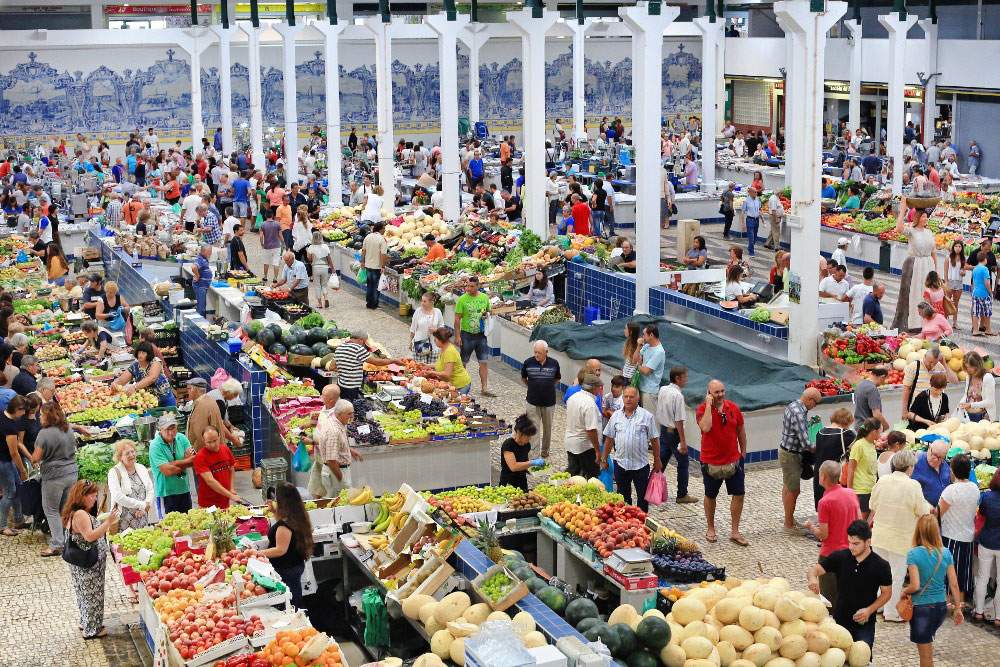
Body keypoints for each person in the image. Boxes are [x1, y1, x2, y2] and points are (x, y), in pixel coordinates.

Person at [807, 519, 891, 650]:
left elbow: (887, 593)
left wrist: (869, 610)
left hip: (865, 625)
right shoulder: (840, 557)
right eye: (850, 542)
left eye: (856, 543)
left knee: (862, 660)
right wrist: (812, 578)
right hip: (839, 621)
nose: (851, 547)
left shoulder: (881, 565)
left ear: (868, 542)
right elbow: (815, 570)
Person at [870, 449, 932, 622]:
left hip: (880, 534)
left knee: (879, 574)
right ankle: (891, 612)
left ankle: (879, 605)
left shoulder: (882, 481)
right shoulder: (913, 485)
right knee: (896, 577)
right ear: (910, 467)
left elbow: (872, 504)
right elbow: (923, 511)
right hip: (901, 538)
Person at [904, 515, 964, 665]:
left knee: (925, 658)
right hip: (940, 608)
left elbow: (915, 585)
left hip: (922, 610)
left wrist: (904, 591)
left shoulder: (913, 554)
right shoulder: (946, 553)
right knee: (928, 652)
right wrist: (957, 608)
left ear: (919, 531)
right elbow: (954, 584)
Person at [62, 480, 118, 639]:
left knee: (83, 594)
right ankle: (92, 629)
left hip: (82, 562)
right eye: (92, 496)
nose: (95, 499)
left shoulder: (74, 511)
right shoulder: (80, 514)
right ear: (82, 496)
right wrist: (108, 522)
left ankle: (86, 622)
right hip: (88, 563)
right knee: (92, 595)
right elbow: (90, 536)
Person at [696, 380, 749, 546]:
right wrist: (708, 406)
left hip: (733, 460)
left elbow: (740, 429)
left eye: (722, 391)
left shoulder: (733, 408)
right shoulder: (702, 410)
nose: (720, 395)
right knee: (710, 495)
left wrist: (743, 452)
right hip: (711, 461)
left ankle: (735, 531)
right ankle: (710, 528)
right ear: (709, 393)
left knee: (739, 494)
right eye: (716, 392)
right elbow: (705, 427)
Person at [602, 386, 660, 512]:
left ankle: (641, 523)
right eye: (626, 396)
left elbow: (654, 440)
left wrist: (657, 459)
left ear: (638, 398)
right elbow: (609, 439)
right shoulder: (616, 416)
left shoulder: (647, 416)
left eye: (631, 397)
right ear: (622, 398)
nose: (628, 399)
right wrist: (604, 458)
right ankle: (625, 521)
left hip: (640, 465)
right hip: (621, 464)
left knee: (642, 498)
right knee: (622, 496)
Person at [30, 402, 78, 556]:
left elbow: (36, 458)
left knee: (51, 510)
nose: (39, 417)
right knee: (65, 509)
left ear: (48, 416)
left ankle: (57, 544)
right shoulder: (68, 428)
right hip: (72, 473)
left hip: (54, 477)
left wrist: (30, 457)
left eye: (41, 414)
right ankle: (67, 539)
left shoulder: (44, 434)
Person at [259, 482, 313, 607]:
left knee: (290, 600)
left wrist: (258, 553)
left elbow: (280, 550)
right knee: (295, 595)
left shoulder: (284, 527)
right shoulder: (299, 516)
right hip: (295, 565)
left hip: (286, 569)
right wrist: (274, 511)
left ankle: (298, 620)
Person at [779, 388, 822, 532]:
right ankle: (789, 525)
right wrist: (821, 445)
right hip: (792, 455)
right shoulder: (799, 413)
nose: (814, 406)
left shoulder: (793, 406)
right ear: (810, 400)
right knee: (793, 490)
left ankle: (788, 519)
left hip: (786, 451)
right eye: (815, 403)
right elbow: (805, 443)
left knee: (788, 487)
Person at [892, 199, 938, 332]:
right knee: (915, 293)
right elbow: (899, 228)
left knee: (928, 293)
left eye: (926, 216)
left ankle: (928, 321)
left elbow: (933, 252)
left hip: (928, 264)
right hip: (916, 265)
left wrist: (936, 270)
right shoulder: (911, 231)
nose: (925, 218)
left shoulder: (929, 232)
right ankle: (914, 322)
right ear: (917, 218)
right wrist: (902, 210)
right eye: (923, 216)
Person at [938, 454, 978, 599]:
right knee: (963, 572)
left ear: (953, 470)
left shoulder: (951, 490)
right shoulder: (974, 488)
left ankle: (949, 601)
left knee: (950, 571)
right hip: (968, 536)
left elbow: (938, 513)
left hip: (950, 536)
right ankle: (959, 602)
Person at [656, 366, 697, 504]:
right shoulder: (678, 396)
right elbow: (679, 420)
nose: (687, 380)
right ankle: (682, 494)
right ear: (678, 378)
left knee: (660, 462)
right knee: (683, 463)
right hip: (674, 434)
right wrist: (683, 442)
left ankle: (651, 489)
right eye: (685, 377)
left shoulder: (663, 389)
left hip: (663, 430)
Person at [313, 395, 364, 496]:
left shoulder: (336, 421)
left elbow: (336, 445)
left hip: (337, 471)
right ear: (340, 414)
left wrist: (350, 451)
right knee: (339, 503)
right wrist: (341, 480)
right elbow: (331, 460)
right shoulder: (333, 431)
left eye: (352, 413)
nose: (352, 417)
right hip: (335, 473)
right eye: (349, 414)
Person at [148, 414, 195, 515]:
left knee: (188, 524)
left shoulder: (181, 438)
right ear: (160, 429)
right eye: (167, 429)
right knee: (168, 527)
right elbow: (168, 471)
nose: (171, 433)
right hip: (166, 493)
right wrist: (186, 460)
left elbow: (194, 460)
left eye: (173, 428)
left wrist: (173, 464)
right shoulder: (155, 445)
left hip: (184, 490)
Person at [520, 340, 560, 459]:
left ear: (546, 352)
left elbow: (557, 379)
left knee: (548, 429)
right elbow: (523, 378)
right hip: (532, 402)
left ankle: (545, 451)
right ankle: (534, 455)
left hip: (549, 403)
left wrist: (547, 386)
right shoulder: (528, 363)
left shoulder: (554, 364)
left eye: (539, 353)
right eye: (535, 352)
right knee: (534, 429)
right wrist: (532, 386)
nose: (537, 355)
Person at [454, 277, 493, 397]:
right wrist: (457, 336)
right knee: (463, 362)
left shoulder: (484, 298)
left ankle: (484, 387)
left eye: (471, 286)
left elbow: (488, 312)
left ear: (477, 286)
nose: (468, 288)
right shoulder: (462, 299)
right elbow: (457, 319)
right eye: (467, 286)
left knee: (484, 362)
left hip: (481, 335)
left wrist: (486, 316)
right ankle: (462, 385)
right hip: (467, 335)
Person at [333, 329, 396, 401]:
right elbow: (377, 362)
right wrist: (393, 361)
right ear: (361, 340)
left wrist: (345, 370)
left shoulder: (339, 347)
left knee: (342, 406)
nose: (363, 344)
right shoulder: (359, 349)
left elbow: (332, 367)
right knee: (351, 408)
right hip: (352, 387)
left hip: (340, 385)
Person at [107, 439, 155, 532]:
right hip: (124, 522)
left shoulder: (141, 468)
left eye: (132, 451)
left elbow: (150, 490)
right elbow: (118, 497)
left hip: (142, 517)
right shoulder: (114, 472)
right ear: (120, 457)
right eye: (127, 453)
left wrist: (144, 508)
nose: (131, 455)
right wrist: (142, 505)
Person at [812, 408, 856, 508]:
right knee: (836, 503)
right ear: (847, 420)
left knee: (822, 501)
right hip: (836, 473)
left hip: (820, 471)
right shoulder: (847, 434)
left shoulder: (820, 432)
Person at [112, 342, 176, 407]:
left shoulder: (156, 362)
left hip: (165, 400)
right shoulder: (135, 366)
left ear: (148, 354)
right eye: (139, 352)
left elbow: (152, 378)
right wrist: (114, 384)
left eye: (143, 353)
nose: (140, 355)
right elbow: (122, 380)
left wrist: (135, 387)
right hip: (149, 403)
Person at [565, 373, 604, 479]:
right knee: (589, 478)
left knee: (574, 474)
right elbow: (591, 430)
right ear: (594, 388)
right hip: (585, 447)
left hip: (570, 442)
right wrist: (597, 450)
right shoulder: (589, 404)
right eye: (599, 387)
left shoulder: (573, 397)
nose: (600, 391)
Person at [193, 426, 241, 509]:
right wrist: (230, 495)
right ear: (204, 441)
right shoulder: (200, 457)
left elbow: (231, 469)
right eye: (209, 442)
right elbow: (210, 481)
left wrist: (231, 488)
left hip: (224, 501)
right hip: (208, 504)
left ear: (219, 436)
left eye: (215, 441)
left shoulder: (225, 449)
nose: (213, 445)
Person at [186, 378, 239, 452]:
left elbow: (200, 436)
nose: (187, 391)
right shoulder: (210, 400)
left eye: (189, 389)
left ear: (196, 390)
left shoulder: (203, 406)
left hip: (206, 454)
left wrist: (197, 455)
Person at [901, 345, 956, 417]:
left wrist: (944, 364)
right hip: (917, 411)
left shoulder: (940, 367)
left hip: (936, 411)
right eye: (930, 362)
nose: (932, 365)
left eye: (935, 363)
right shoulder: (914, 366)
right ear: (924, 356)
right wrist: (904, 411)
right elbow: (906, 389)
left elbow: (954, 381)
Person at [974, 472, 1000, 623]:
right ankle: (998, 617)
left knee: (982, 577)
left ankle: (979, 612)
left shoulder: (987, 497)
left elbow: (981, 514)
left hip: (987, 540)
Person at [847, 418, 881, 518]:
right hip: (861, 490)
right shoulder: (858, 446)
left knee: (868, 520)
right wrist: (849, 491)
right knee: (861, 521)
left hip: (871, 488)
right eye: (880, 431)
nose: (881, 434)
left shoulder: (871, 443)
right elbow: (851, 469)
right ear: (874, 432)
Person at [499, 414, 543, 492]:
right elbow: (513, 467)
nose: (529, 438)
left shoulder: (527, 445)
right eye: (528, 436)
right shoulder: (508, 445)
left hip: (522, 482)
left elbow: (524, 462)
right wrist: (532, 462)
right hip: (508, 484)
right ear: (519, 433)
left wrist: (535, 470)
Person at [428, 327, 471, 394]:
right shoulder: (444, 348)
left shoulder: (449, 352)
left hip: (460, 385)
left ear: (441, 340)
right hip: (451, 384)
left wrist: (432, 372)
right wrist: (427, 366)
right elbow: (441, 364)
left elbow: (447, 374)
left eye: (435, 339)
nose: (434, 341)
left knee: (454, 403)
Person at [633, 324, 665, 412]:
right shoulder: (647, 346)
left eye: (644, 334)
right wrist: (638, 346)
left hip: (649, 392)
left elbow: (646, 371)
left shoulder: (659, 352)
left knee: (650, 419)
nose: (642, 337)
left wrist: (637, 366)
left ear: (651, 335)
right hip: (640, 387)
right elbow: (634, 360)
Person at [959, 350, 995, 422]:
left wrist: (971, 405)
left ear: (977, 365)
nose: (967, 369)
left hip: (984, 417)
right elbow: (966, 395)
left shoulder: (987, 377)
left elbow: (990, 402)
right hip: (970, 416)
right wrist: (961, 404)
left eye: (970, 367)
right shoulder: (969, 377)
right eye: (966, 367)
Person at [409, 293, 444, 363]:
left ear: (431, 302)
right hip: (420, 344)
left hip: (434, 346)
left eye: (425, 301)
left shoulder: (437, 312)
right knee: (420, 368)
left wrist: (436, 330)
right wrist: (410, 342)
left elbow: (442, 327)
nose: (422, 303)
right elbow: (412, 329)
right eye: (422, 301)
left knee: (432, 370)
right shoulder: (418, 311)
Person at [361, 221, 388, 309]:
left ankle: (369, 303)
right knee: (376, 286)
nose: (385, 230)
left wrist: (362, 261)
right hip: (377, 266)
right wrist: (383, 266)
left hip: (368, 265)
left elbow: (363, 251)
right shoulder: (382, 239)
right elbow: (383, 254)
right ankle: (374, 304)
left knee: (370, 285)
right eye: (384, 228)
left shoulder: (367, 237)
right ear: (380, 229)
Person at [306, 231, 333, 309]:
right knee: (324, 285)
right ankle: (326, 298)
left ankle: (320, 303)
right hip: (325, 267)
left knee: (317, 285)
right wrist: (333, 268)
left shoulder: (311, 247)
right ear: (321, 237)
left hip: (316, 267)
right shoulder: (325, 246)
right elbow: (329, 258)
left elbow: (309, 259)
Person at [970, 249, 994, 336]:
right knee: (987, 313)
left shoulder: (975, 268)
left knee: (975, 313)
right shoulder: (985, 269)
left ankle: (975, 330)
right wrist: (990, 292)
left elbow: (973, 282)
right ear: (985, 259)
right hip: (984, 294)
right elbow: (987, 283)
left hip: (975, 293)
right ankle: (988, 330)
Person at [946, 240, 966, 328]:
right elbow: (945, 271)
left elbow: (964, 271)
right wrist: (946, 282)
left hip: (959, 282)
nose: (958, 248)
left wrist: (963, 272)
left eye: (960, 247)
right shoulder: (948, 257)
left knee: (956, 303)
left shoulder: (963, 259)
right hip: (950, 281)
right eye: (956, 246)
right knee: (947, 302)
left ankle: (955, 322)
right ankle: (945, 321)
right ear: (953, 247)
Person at [190, 244, 213, 317]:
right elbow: (194, 267)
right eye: (209, 252)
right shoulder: (200, 259)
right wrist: (197, 275)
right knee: (201, 307)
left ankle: (201, 322)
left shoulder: (203, 258)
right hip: (200, 286)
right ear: (204, 251)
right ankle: (200, 324)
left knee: (202, 305)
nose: (210, 253)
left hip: (202, 286)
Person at [259, 214, 283, 284]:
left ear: (266, 216)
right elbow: (280, 235)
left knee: (266, 262)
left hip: (267, 246)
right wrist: (283, 243)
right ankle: (275, 278)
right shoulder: (277, 224)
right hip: (276, 246)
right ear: (272, 216)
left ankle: (265, 277)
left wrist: (262, 244)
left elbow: (261, 236)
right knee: (276, 262)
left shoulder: (262, 224)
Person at [742, 187, 762, 256]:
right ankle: (751, 252)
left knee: (755, 237)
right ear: (750, 193)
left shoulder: (758, 200)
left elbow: (759, 210)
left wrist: (762, 220)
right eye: (754, 192)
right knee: (751, 237)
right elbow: (743, 212)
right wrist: (743, 224)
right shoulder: (746, 201)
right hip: (750, 220)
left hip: (756, 220)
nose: (756, 193)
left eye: (756, 192)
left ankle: (750, 247)